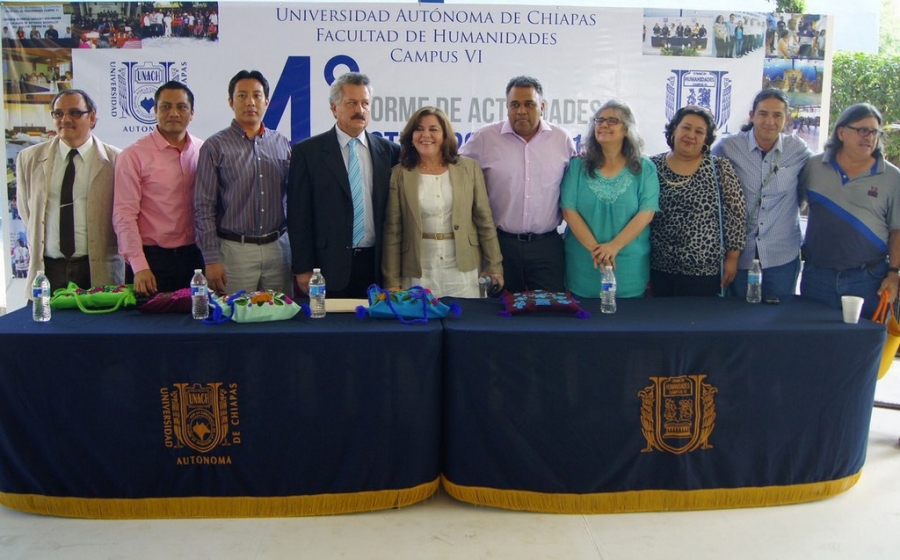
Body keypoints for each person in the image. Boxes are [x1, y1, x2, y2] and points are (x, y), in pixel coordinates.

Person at [287, 72, 400, 298]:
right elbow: (298, 216)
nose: (360, 109)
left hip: (378, 267)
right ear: (334, 108)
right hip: (328, 267)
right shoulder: (308, 152)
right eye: (351, 103)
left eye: (365, 103)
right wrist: (302, 268)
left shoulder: (390, 152)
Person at [459, 76, 576, 293]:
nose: (521, 110)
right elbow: (454, 170)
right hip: (500, 246)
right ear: (507, 107)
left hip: (547, 247)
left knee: (549, 316)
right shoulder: (484, 139)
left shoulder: (562, 139)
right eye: (515, 104)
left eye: (529, 104)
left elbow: (579, 180)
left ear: (542, 107)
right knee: (500, 316)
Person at [382, 106, 503, 298]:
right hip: (418, 269)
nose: (425, 135)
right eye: (419, 129)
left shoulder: (469, 169)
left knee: (463, 323)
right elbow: (393, 230)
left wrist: (494, 265)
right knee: (420, 324)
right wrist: (391, 282)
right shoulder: (399, 173)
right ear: (411, 136)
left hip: (462, 268)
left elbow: (484, 220)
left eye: (433, 129)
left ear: (445, 136)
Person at [15, 89, 124, 295]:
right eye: (58, 114)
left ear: (91, 117)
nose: (65, 119)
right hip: (48, 269)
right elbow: (26, 211)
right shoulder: (29, 158)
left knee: (97, 327)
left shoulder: (116, 160)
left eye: (74, 113)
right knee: (44, 326)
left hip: (96, 269)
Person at [194, 70, 292, 295]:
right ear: (231, 102)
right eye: (242, 96)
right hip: (234, 251)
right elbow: (203, 207)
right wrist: (211, 259)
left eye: (257, 96)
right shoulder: (215, 147)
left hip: (278, 249)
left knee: (280, 319)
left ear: (267, 101)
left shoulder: (282, 143)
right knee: (233, 321)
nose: (250, 102)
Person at [799, 103, 900, 318]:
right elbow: (791, 206)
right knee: (814, 346)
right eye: (862, 130)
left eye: (874, 132)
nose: (869, 137)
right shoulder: (814, 167)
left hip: (868, 280)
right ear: (841, 132)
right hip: (818, 278)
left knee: (864, 348)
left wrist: (893, 274)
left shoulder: (892, 177)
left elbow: (897, 230)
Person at [712, 88, 812, 300]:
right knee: (736, 319)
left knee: (777, 323)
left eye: (777, 115)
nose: (770, 121)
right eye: (763, 113)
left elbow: (808, 188)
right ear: (752, 115)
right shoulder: (728, 147)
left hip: (781, 255)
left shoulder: (798, 150)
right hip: (738, 254)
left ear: (787, 119)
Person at [560, 100, 659, 299]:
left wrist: (613, 247)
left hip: (628, 266)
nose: (603, 125)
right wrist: (598, 252)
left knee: (627, 326)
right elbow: (568, 210)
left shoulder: (644, 168)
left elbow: (646, 213)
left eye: (612, 120)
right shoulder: (578, 166)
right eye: (599, 120)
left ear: (626, 129)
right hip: (584, 264)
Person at [113, 81, 204, 296]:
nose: (173, 113)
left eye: (181, 107)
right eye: (165, 107)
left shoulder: (203, 150)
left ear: (192, 113)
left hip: (195, 258)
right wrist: (139, 266)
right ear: (154, 111)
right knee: (150, 327)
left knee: (197, 325)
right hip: (152, 260)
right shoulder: (133, 156)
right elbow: (124, 216)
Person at [649, 106, 746, 297]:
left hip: (705, 272)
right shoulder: (651, 166)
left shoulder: (719, 167)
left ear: (706, 139)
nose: (691, 135)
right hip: (658, 268)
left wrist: (732, 258)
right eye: (686, 127)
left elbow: (736, 215)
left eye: (699, 132)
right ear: (674, 129)